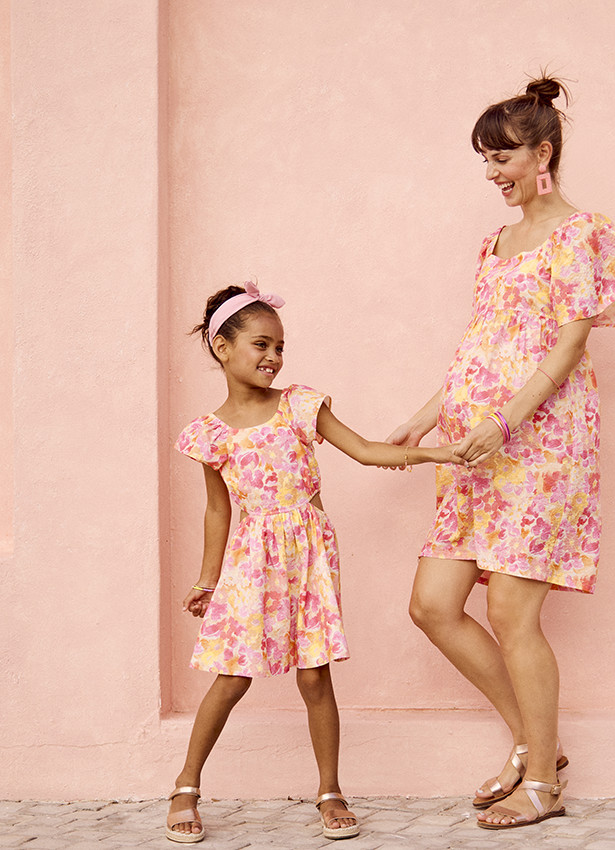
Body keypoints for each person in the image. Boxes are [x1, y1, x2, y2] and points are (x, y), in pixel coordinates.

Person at [387, 76, 615, 830]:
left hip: (541, 443)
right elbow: (484, 348)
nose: (491, 173)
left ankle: (541, 780)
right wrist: (422, 421)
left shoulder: (579, 234)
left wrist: (505, 425)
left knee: (512, 610)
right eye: (484, 160)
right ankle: (538, 744)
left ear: (542, 154)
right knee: (433, 604)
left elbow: (567, 347)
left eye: (502, 157)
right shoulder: (495, 243)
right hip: (475, 447)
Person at [166, 283, 461, 843]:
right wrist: (208, 579)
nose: (274, 357)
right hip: (252, 560)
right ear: (222, 347)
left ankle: (330, 791)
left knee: (315, 674)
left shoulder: (301, 405)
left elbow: (366, 450)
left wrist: (434, 451)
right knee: (232, 678)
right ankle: (186, 786)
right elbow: (217, 511)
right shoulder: (210, 434)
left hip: (309, 555)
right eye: (261, 344)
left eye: (280, 346)